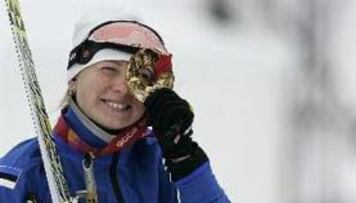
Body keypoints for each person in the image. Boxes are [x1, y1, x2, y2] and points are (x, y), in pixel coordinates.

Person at [0, 10, 230, 203]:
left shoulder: (158, 160)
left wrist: (185, 159)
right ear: (74, 78)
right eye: (109, 69)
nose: (123, 88)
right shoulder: (24, 170)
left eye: (141, 77)